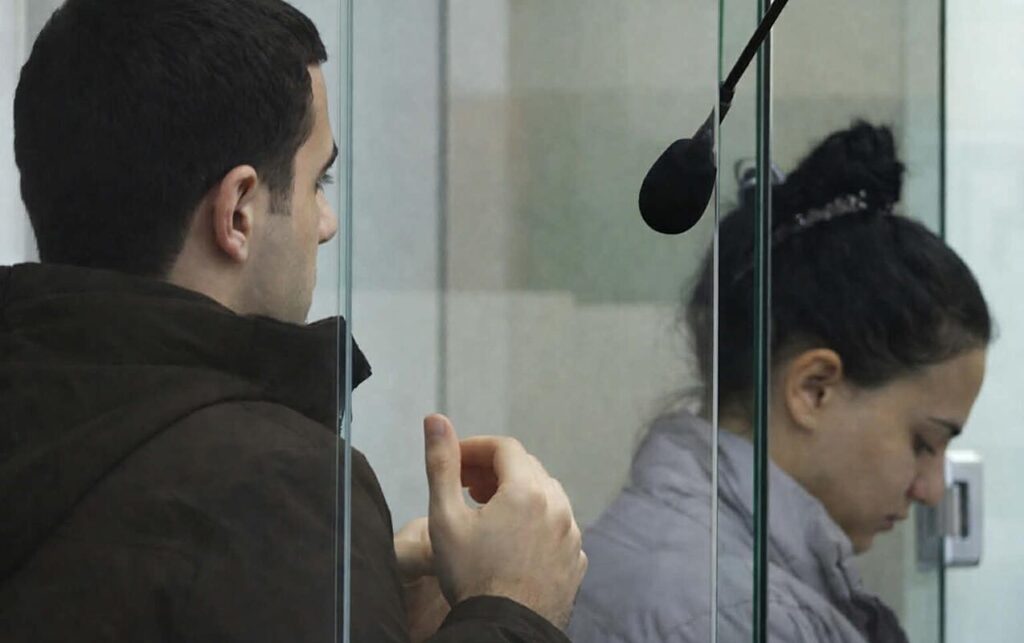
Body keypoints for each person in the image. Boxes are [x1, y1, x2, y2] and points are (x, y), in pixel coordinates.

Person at [0, 1, 586, 641]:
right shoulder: (269, 488)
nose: (326, 224)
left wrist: (349, 598)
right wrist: (514, 606)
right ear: (239, 213)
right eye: (317, 182)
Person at [568, 122, 991, 643]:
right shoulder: (729, 614)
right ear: (814, 389)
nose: (931, 490)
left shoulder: (711, 575)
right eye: (923, 442)